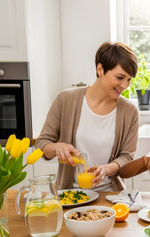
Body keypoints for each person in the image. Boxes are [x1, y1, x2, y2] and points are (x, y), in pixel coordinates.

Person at [35, 41, 139, 191]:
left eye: (129, 79)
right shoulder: (66, 99)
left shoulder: (129, 111)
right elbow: (41, 143)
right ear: (100, 69)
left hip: (110, 197)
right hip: (70, 195)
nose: (125, 85)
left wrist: (105, 169)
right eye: (120, 77)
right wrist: (56, 147)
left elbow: (127, 157)